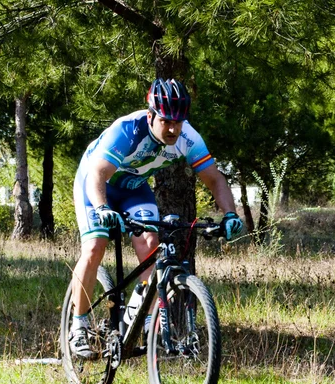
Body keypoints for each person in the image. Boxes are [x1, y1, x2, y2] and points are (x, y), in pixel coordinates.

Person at [70, 78, 243, 358]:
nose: (174, 128)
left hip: (134, 189)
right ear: (151, 115)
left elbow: (215, 180)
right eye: (166, 121)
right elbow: (98, 175)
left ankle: (142, 320)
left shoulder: (188, 138)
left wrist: (230, 214)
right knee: (95, 246)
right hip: (96, 183)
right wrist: (102, 208)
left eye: (179, 121)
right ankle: (78, 327)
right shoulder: (127, 130)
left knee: (152, 246)